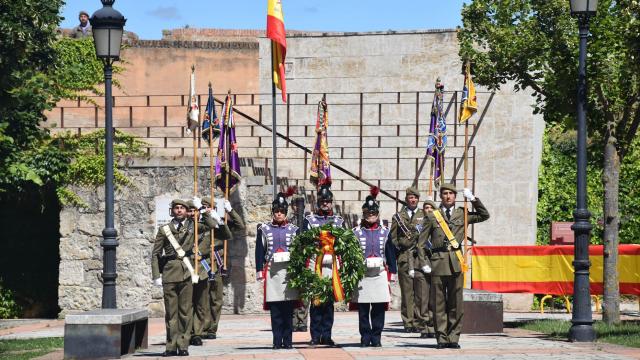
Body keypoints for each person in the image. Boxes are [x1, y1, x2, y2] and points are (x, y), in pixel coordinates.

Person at [418, 184, 490, 349]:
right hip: (437, 263)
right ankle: (442, 338)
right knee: (438, 303)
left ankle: (453, 337)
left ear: (455, 196)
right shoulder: (432, 216)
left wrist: (473, 199)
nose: (448, 196)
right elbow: (421, 244)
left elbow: (484, 215)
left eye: (451, 193)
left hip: (456, 262)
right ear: (441, 196)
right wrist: (424, 263)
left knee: (456, 303)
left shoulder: (462, 213)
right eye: (445, 193)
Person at [151, 198, 220, 357]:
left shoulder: (194, 226)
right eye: (177, 208)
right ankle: (170, 345)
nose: (180, 210)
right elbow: (155, 254)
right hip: (169, 272)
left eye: (182, 208)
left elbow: (212, 225)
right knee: (171, 312)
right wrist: (156, 275)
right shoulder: (164, 230)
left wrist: (202, 210)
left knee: (185, 311)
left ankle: (183, 344)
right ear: (172, 211)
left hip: (187, 272)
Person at [351, 188, 397, 347]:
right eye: (368, 213)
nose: (371, 215)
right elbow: (350, 255)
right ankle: (365, 337)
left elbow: (390, 252)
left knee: (378, 308)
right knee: (363, 309)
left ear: (377, 214)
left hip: (379, 274)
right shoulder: (355, 232)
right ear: (363, 214)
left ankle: (376, 337)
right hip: (363, 274)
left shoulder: (385, 232)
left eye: (373, 213)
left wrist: (393, 272)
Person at [186, 198, 233, 346]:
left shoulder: (210, 224)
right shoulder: (190, 225)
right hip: (190, 264)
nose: (203, 210)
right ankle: (193, 330)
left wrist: (226, 213)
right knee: (192, 301)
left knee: (211, 300)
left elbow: (227, 233)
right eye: (201, 207)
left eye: (208, 207)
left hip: (208, 265)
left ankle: (206, 330)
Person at [255, 192, 300, 349]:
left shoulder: (294, 229)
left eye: (281, 211)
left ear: (285, 212)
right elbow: (259, 250)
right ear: (273, 212)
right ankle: (276, 341)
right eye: (276, 211)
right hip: (273, 273)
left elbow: (300, 252)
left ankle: (288, 342)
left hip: (289, 273)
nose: (279, 213)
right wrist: (259, 271)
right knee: (275, 311)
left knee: (288, 310)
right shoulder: (264, 229)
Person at [303, 184, 344, 346]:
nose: (325, 203)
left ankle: (326, 335)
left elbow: (344, 245)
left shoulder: (339, 222)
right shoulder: (310, 221)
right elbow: (304, 242)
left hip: (332, 266)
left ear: (331, 202)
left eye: (327, 201)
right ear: (317, 202)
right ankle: (315, 335)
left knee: (328, 303)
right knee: (316, 302)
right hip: (315, 265)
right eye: (322, 201)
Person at [202, 196, 245, 340]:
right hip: (201, 263)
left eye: (210, 207)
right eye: (204, 207)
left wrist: (230, 211)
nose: (207, 209)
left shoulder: (221, 222)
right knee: (201, 298)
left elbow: (240, 226)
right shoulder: (198, 223)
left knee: (216, 298)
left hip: (216, 263)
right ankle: (201, 327)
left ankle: (212, 328)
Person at [389, 186, 428, 333]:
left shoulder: (424, 215)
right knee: (407, 293)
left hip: (419, 259)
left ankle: (419, 322)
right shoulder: (398, 216)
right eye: (411, 198)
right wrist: (401, 247)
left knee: (421, 293)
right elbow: (393, 237)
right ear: (406, 199)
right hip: (405, 258)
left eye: (415, 198)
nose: (413, 200)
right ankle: (408, 322)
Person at [414, 199, 439, 339]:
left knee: (434, 298)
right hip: (420, 264)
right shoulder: (417, 226)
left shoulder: (439, 225)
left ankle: (433, 326)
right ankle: (424, 327)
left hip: (435, 264)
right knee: (422, 298)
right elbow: (412, 247)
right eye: (425, 207)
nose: (428, 210)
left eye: (430, 207)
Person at [287, 192, 308, 332]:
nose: (297, 207)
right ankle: (294, 320)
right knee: (292, 291)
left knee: (304, 292)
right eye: (295, 204)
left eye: (300, 204)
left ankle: (303, 320)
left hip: (305, 259)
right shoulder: (288, 221)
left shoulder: (307, 221)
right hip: (291, 259)